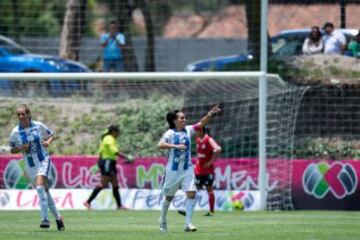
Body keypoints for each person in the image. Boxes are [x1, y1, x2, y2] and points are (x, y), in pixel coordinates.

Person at [158, 105, 221, 233]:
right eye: (182, 118)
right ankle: (162, 220)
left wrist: (210, 114)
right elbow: (160, 145)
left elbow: (200, 124)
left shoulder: (188, 130)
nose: (184, 120)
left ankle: (188, 223)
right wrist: (175, 146)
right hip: (173, 171)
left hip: (187, 170)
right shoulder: (169, 133)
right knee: (169, 197)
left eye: (184, 118)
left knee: (192, 193)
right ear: (175, 121)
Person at [9, 104, 65, 231]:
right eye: (18, 115)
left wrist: (47, 142)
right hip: (29, 165)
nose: (21, 116)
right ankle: (58, 218)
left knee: (40, 188)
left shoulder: (38, 125)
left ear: (29, 114)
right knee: (45, 192)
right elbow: (12, 149)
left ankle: (45, 219)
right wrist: (21, 148)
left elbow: (51, 134)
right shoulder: (15, 132)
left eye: (23, 113)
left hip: (43, 160)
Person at [178, 127, 221, 217]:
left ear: (201, 131)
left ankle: (211, 211)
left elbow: (218, 149)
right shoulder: (198, 140)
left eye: (196, 131)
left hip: (208, 171)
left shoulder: (209, 139)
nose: (195, 133)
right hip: (199, 171)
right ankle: (187, 209)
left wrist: (210, 162)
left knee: (209, 189)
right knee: (193, 189)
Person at [84, 124, 129, 210]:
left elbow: (101, 152)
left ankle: (119, 206)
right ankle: (88, 202)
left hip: (110, 162)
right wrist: (127, 157)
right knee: (103, 184)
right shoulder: (109, 139)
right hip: (107, 162)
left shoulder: (108, 138)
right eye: (117, 132)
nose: (118, 134)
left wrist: (98, 163)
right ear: (113, 132)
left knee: (115, 184)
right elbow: (115, 151)